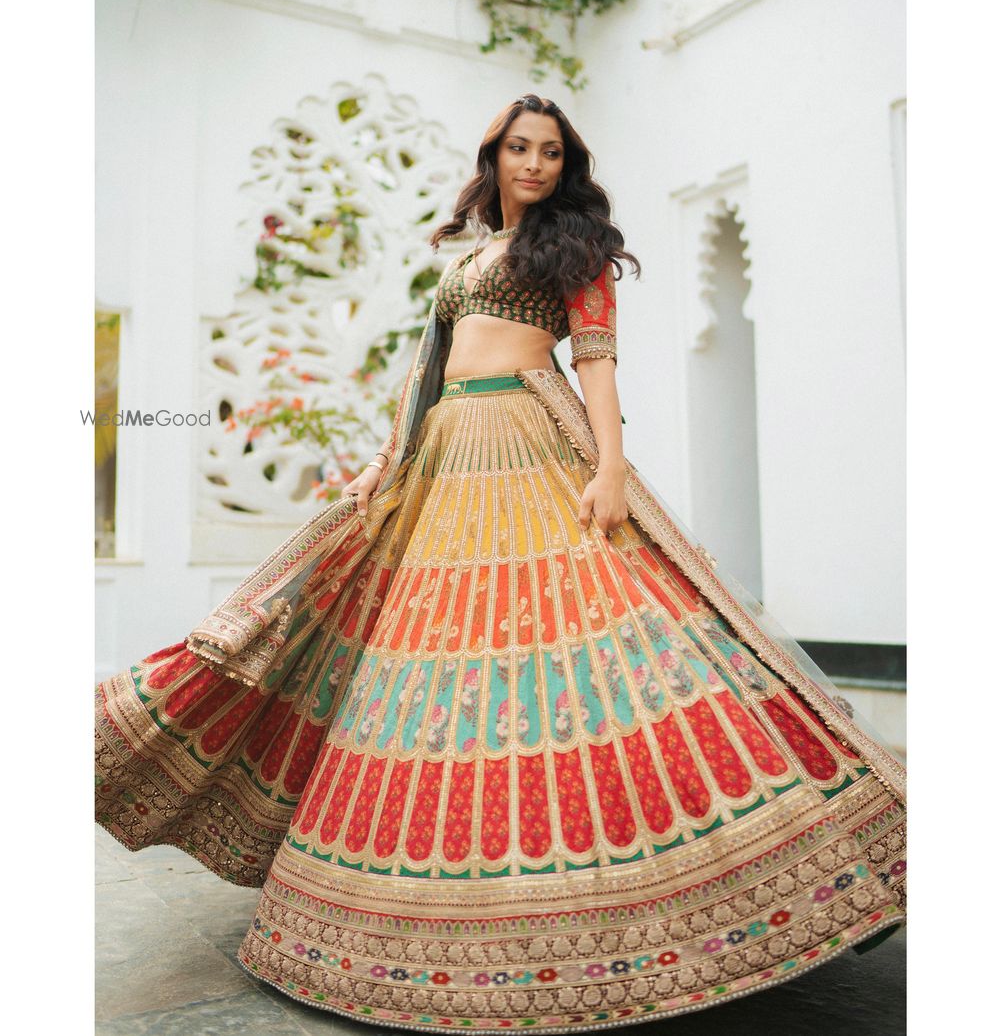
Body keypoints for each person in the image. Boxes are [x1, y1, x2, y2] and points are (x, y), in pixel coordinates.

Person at [95, 94, 906, 1030]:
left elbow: (597, 363)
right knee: (435, 659)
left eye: (550, 152)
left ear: (567, 165)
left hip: (530, 440)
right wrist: (384, 463)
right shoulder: (464, 256)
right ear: (494, 154)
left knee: (584, 641)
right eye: (519, 148)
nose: (533, 163)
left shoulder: (576, 249)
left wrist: (607, 467)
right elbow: (427, 372)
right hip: (448, 452)